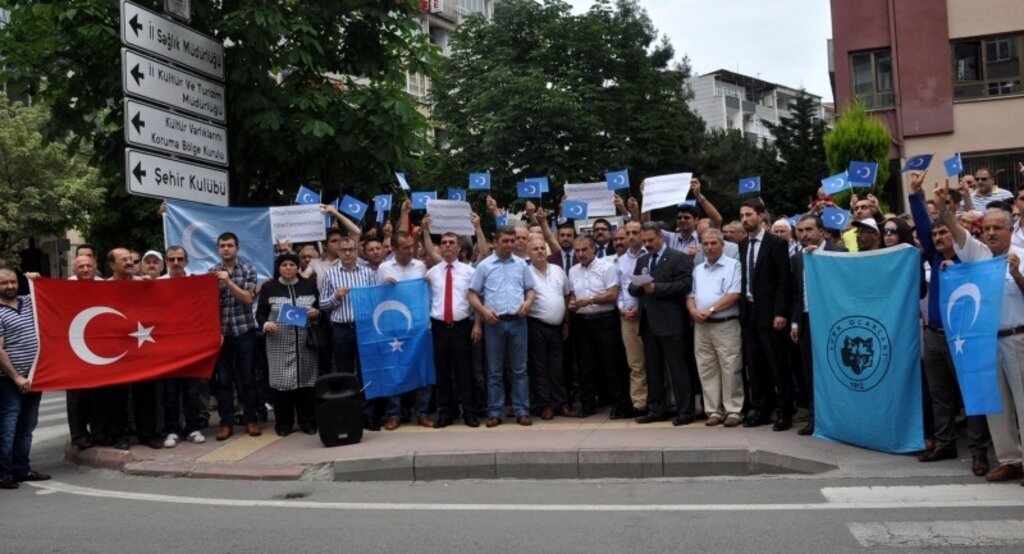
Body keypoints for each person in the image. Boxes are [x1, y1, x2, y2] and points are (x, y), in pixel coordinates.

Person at [935, 184, 1024, 483]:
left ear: (1011, 230)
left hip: (1018, 338)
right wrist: (945, 209)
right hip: (987, 343)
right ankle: (1010, 459)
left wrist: (1017, 274)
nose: (992, 233)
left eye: (998, 227)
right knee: (995, 403)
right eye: (987, 228)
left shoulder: (1021, 255)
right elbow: (959, 235)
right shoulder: (981, 256)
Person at [907, 171, 991, 475]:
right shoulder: (932, 256)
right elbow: (922, 223)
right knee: (939, 394)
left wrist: (946, 213)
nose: (940, 238)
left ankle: (980, 451)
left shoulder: (970, 260)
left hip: (965, 338)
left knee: (971, 396)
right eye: (936, 235)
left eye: (945, 234)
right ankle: (945, 443)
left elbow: (956, 233)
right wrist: (915, 195)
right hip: (934, 336)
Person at [468, 226, 536, 427]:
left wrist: (528, 302)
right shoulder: (484, 266)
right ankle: (495, 411)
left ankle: (522, 410)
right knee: (494, 370)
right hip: (494, 323)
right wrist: (484, 311)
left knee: (520, 370)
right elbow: (472, 294)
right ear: (495, 242)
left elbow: (530, 290)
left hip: (518, 321)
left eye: (512, 241)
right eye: (505, 241)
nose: (509, 245)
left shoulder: (521, 264)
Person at [738, 200, 794, 431]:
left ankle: (785, 411)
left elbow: (784, 280)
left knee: (777, 363)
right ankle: (761, 408)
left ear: (761, 216)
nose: (744, 219)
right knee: (755, 362)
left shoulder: (776, 243)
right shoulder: (742, 245)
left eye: (749, 214)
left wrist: (781, 311)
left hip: (771, 313)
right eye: (741, 215)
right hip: (749, 312)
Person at [631, 222, 695, 426]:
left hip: (671, 322)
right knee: (653, 368)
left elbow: (685, 285)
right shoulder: (642, 259)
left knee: (677, 368)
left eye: (651, 240)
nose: (647, 244)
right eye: (645, 241)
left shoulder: (678, 257)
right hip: (649, 322)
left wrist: (656, 288)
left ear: (661, 237)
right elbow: (633, 289)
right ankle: (656, 408)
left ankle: (686, 410)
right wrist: (638, 286)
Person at [789, 215, 846, 436]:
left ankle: (840, 419)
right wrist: (794, 321)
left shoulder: (838, 252)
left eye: (809, 229)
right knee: (810, 372)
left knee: (836, 368)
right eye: (800, 230)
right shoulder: (797, 258)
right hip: (806, 320)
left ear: (821, 231)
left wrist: (821, 257)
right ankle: (816, 419)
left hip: (832, 321)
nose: (804, 234)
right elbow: (796, 293)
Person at [257, 253, 321, 436]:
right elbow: (260, 314)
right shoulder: (270, 288)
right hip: (278, 343)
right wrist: (266, 324)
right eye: (284, 264)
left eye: (292, 264)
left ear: (297, 267)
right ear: (278, 267)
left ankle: (307, 421)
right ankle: (284, 423)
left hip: (305, 344)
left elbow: (319, 309)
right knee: (281, 386)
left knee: (306, 384)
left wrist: (316, 313)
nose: (288, 268)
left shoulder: (308, 285)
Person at [569, 235, 630, 418]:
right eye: (577, 251)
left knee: (611, 364)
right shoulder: (573, 271)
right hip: (582, 321)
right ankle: (588, 405)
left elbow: (613, 293)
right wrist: (573, 303)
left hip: (604, 319)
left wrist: (591, 300)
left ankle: (618, 406)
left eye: (584, 250)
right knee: (585, 366)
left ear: (593, 249)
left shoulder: (607, 267)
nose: (581, 254)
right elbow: (573, 294)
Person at [319, 236, 378, 427]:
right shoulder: (330, 274)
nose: (347, 253)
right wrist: (336, 297)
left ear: (356, 250)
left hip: (363, 327)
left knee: (366, 371)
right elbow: (323, 305)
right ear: (338, 252)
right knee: (344, 373)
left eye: (351, 249)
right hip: (341, 328)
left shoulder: (368, 273)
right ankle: (347, 413)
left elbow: (375, 299)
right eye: (343, 250)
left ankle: (367, 414)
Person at [687, 229, 743, 427]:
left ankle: (733, 410)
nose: (709, 248)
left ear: (722, 245)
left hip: (725, 323)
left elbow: (735, 294)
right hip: (702, 325)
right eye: (706, 244)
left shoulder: (733, 265)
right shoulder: (698, 269)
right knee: (706, 368)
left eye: (713, 243)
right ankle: (713, 411)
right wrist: (694, 311)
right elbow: (690, 295)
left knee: (730, 367)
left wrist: (710, 310)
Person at [377, 231, 432, 430]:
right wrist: (384, 286)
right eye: (406, 247)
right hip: (394, 328)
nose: (411, 250)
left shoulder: (420, 266)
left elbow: (425, 295)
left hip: (418, 327)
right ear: (394, 249)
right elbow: (377, 297)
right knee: (394, 370)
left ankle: (422, 412)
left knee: (422, 369)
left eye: (412, 246)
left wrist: (427, 284)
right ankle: (394, 414)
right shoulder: (384, 268)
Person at [0, 268, 49, 490]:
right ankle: (3, 473)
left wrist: (36, 280)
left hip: (34, 377)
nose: (10, 286)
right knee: (8, 425)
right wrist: (17, 377)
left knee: (27, 424)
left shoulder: (27, 302)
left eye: (12, 282)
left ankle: (22, 469)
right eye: (4, 283)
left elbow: (49, 296)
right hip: (8, 379)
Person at [425, 232, 479, 428]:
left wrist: (477, 324)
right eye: (444, 243)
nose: (447, 246)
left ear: (459, 248)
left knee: (464, 372)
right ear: (439, 247)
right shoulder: (431, 273)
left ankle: (469, 413)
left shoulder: (469, 272)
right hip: (439, 328)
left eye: (451, 243)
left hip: (462, 326)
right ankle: (446, 413)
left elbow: (476, 300)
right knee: (442, 373)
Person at [211, 232, 261, 440]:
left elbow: (248, 298)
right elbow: (209, 306)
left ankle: (251, 419)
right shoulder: (211, 273)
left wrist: (229, 282)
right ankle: (226, 422)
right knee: (223, 381)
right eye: (222, 245)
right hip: (223, 334)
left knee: (248, 378)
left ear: (237, 248)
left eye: (230, 245)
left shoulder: (249, 270)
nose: (226, 249)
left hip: (245, 330)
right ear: (218, 249)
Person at [160, 246, 207, 447]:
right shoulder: (155, 284)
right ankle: (172, 430)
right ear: (166, 262)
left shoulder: (196, 282)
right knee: (170, 392)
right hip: (167, 348)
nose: (176, 263)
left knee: (191, 391)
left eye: (180, 259)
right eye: (172, 259)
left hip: (191, 347)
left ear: (187, 261)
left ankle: (193, 428)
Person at [526, 237, 571, 420]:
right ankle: (545, 405)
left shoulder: (558, 271)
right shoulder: (526, 273)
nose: (539, 251)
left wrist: (567, 321)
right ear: (529, 253)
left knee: (557, 367)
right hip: (536, 324)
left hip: (558, 326)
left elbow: (567, 295)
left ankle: (561, 404)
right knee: (540, 368)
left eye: (542, 248)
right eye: (535, 249)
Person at [66, 255, 99, 450]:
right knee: (76, 396)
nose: (85, 269)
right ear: (74, 269)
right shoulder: (64, 289)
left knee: (99, 394)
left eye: (88, 266)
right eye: (81, 266)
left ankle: (98, 432)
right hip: (74, 348)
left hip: (99, 348)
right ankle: (78, 435)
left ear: (96, 267)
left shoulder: (105, 286)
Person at [616, 221, 647, 414]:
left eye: (635, 232)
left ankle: (661, 401)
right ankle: (640, 403)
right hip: (628, 316)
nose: (632, 236)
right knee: (635, 364)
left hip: (649, 314)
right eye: (628, 232)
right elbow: (618, 289)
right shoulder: (620, 261)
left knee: (656, 360)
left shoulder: (650, 255)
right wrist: (621, 308)